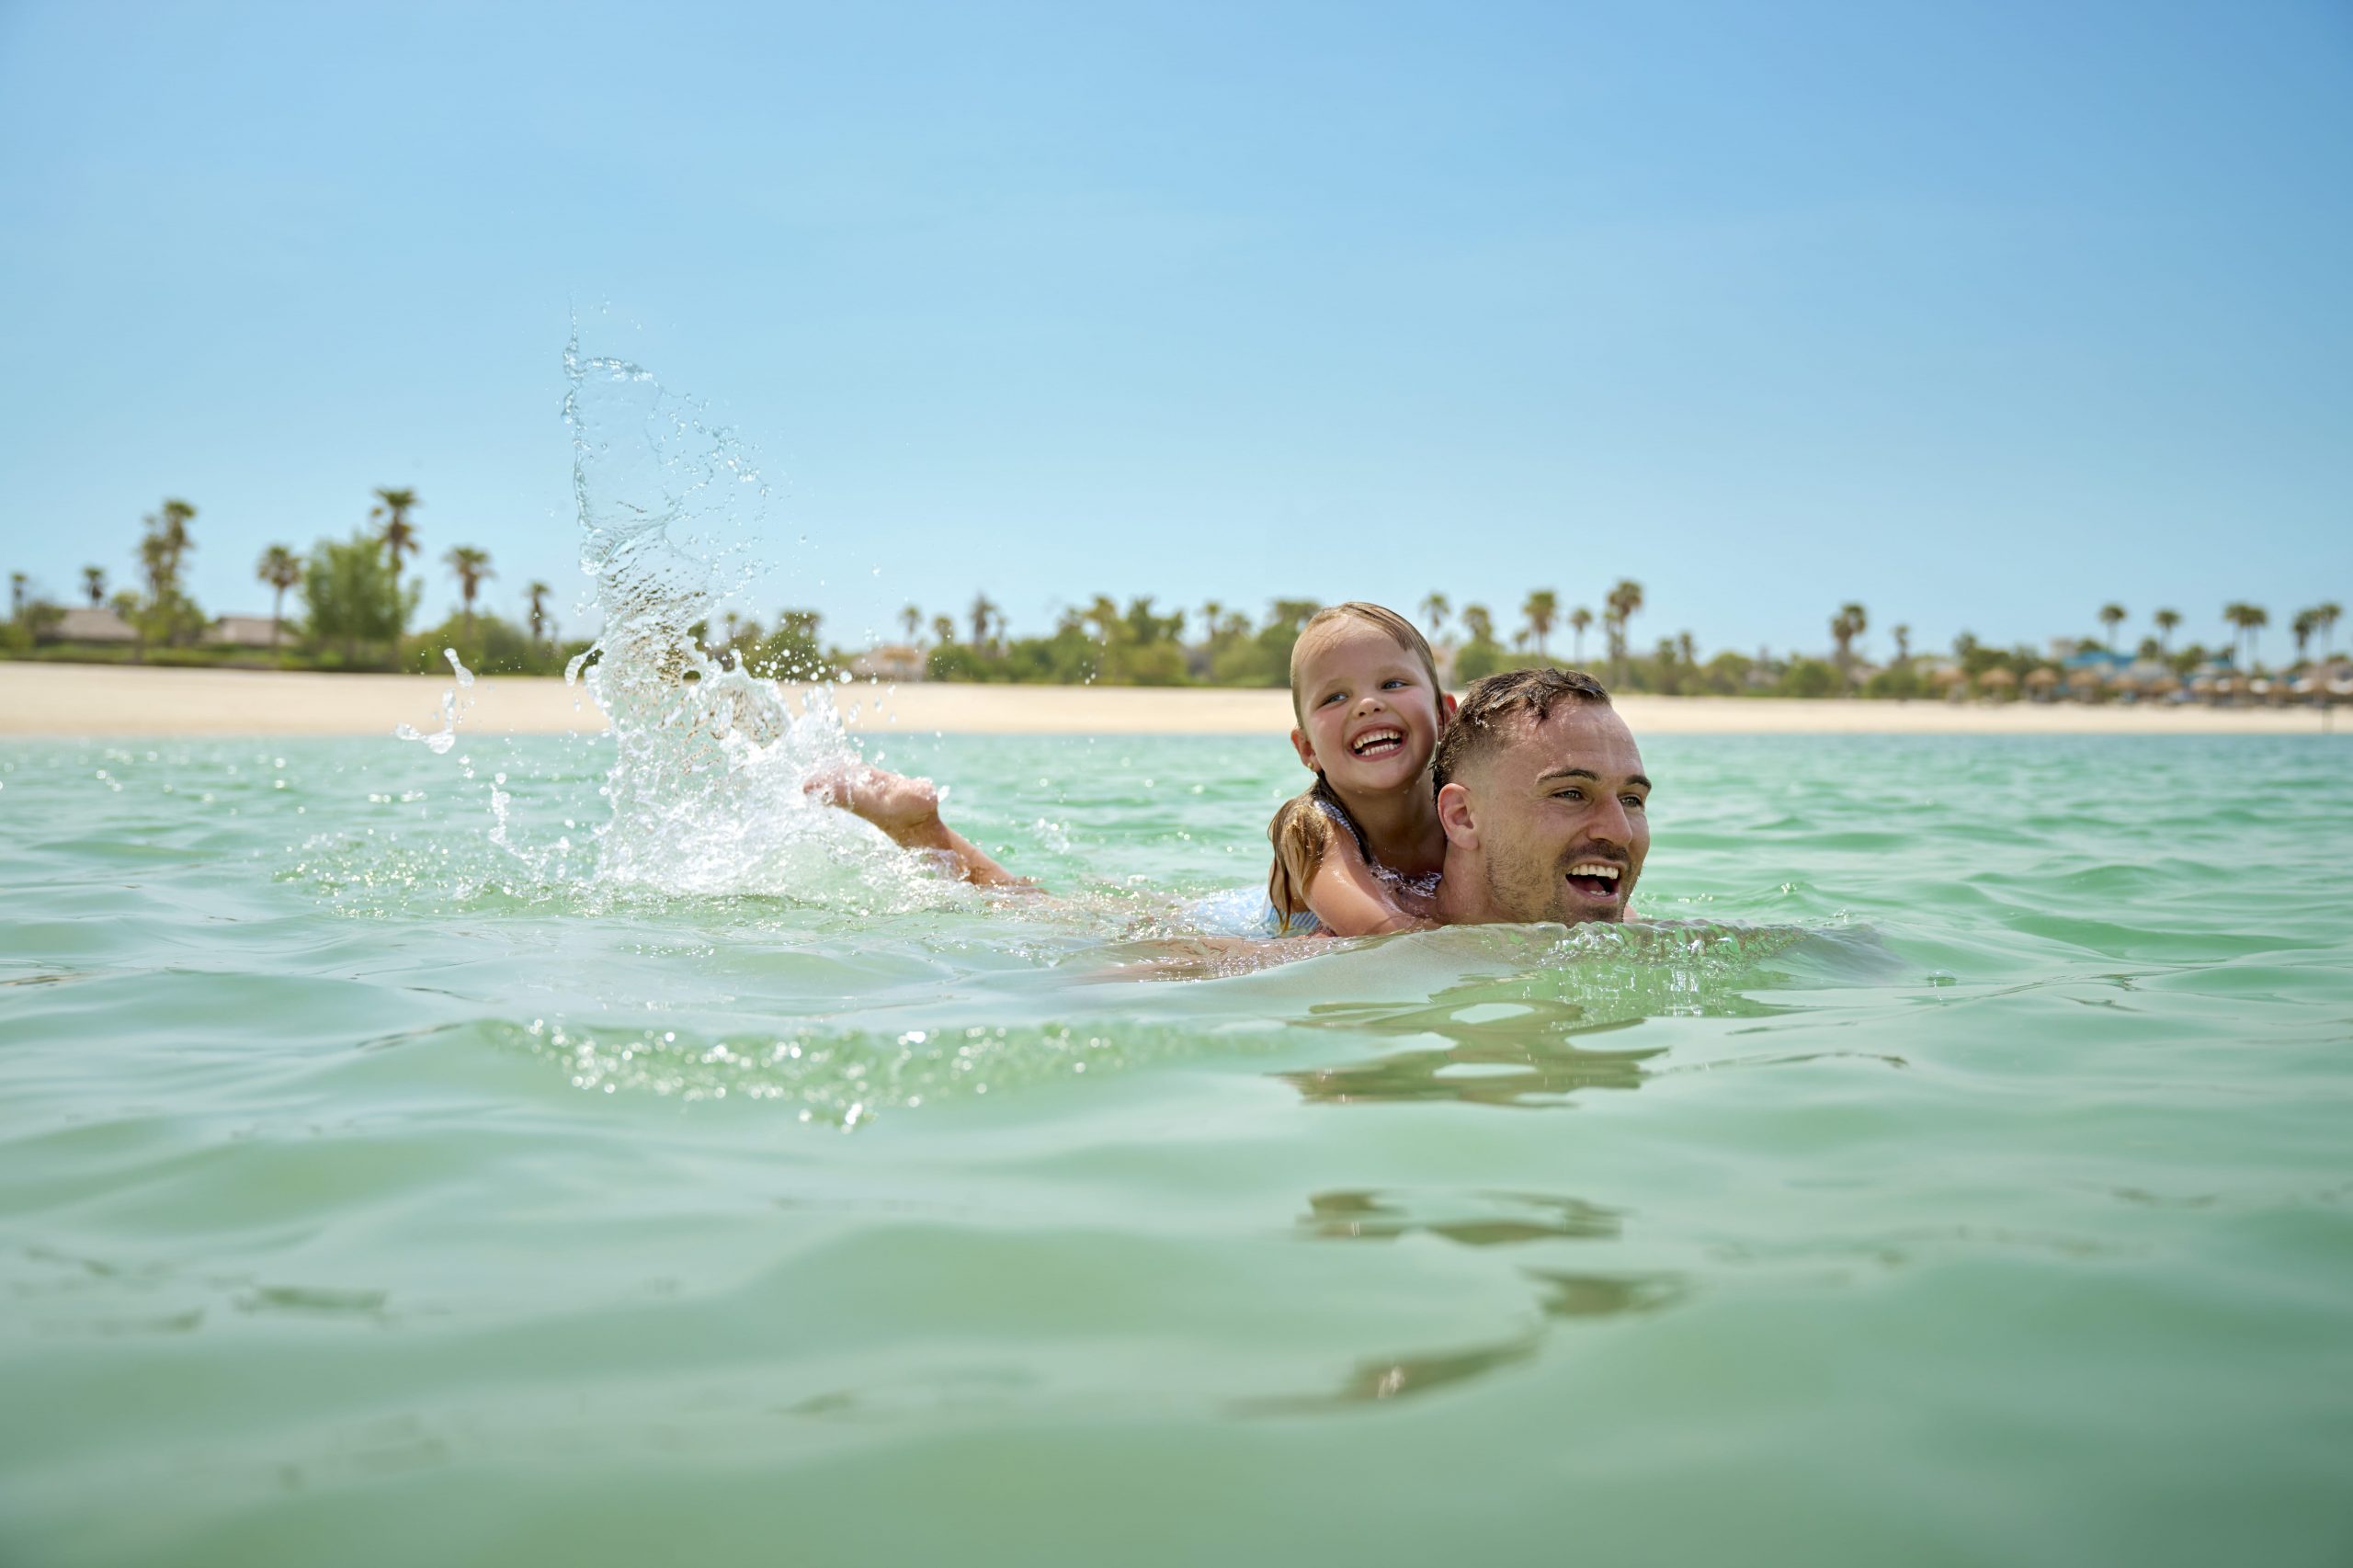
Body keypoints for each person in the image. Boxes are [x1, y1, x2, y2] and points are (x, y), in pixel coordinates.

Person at [811, 663, 1651, 933]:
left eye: (1634, 798)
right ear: (1460, 816)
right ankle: (925, 831)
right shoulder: (1328, 857)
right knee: (1047, 916)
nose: (1615, 831)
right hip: (1233, 918)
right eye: (1572, 794)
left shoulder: (1466, 886)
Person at [1261, 601, 1456, 936]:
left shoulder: (1466, 806)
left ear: (1443, 715)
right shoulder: (1310, 827)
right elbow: (1379, 932)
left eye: (1393, 684)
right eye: (1335, 697)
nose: (1368, 705)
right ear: (1307, 748)